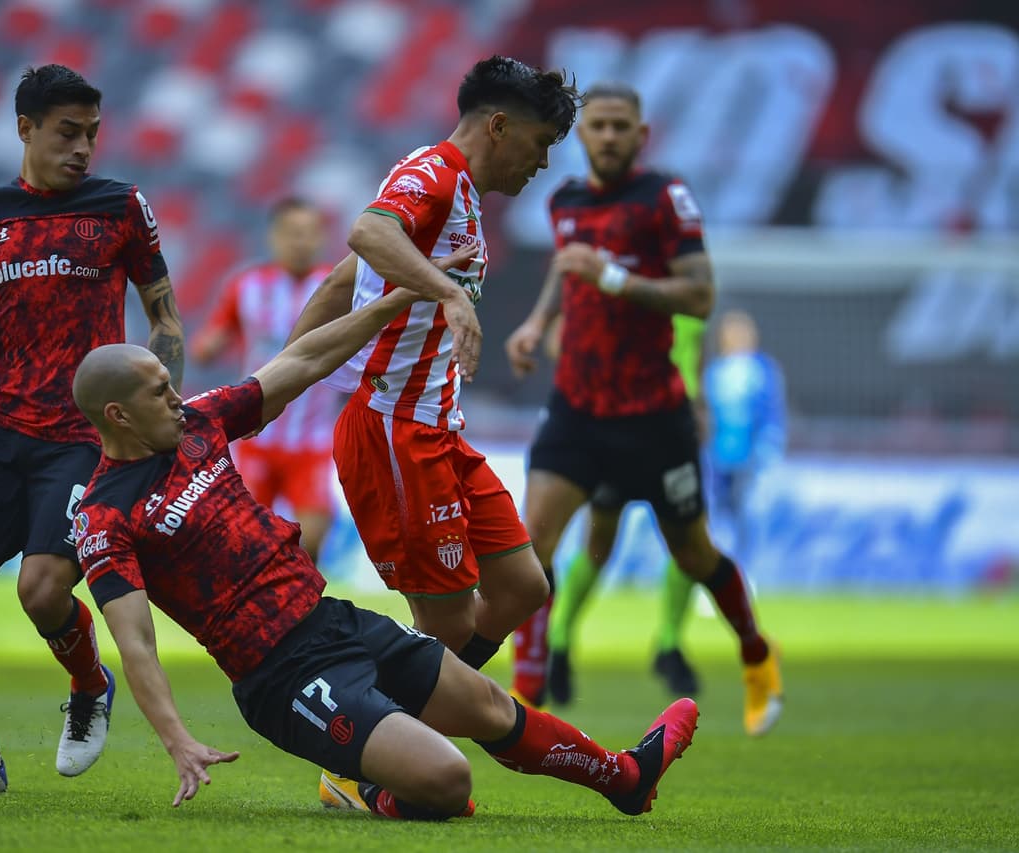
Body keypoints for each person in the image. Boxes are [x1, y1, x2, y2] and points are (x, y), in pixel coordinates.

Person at [69, 263, 699, 820]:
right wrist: (178, 738)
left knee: (489, 707)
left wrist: (396, 297)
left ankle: (626, 778)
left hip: (334, 623)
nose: (177, 397)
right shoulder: (102, 516)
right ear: (118, 416)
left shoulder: (198, 424)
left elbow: (303, 362)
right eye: (160, 391)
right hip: (283, 678)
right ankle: (368, 788)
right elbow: (136, 640)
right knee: (449, 780)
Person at [0, 64, 185, 794]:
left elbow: (163, 316)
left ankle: (89, 682)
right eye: (68, 132)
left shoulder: (120, 206)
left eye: (93, 134)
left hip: (81, 434)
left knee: (41, 591)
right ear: (25, 128)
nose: (83, 148)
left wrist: (165, 411)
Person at [287, 56, 581, 685]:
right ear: (499, 126)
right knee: (444, 626)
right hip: (396, 433)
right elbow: (368, 233)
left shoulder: (464, 197)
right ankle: (365, 763)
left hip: (437, 432)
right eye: (540, 143)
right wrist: (448, 296)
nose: (543, 163)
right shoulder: (434, 174)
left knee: (524, 587)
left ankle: (403, 729)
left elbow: (345, 281)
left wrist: (288, 367)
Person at [503, 82, 783, 736]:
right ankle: (528, 688)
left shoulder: (665, 199)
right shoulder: (565, 202)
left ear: (640, 135)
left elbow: (702, 296)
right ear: (583, 135)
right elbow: (568, 268)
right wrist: (537, 321)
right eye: (596, 126)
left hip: (655, 416)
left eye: (619, 126)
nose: (606, 136)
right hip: (577, 407)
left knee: (692, 553)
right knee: (530, 541)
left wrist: (617, 279)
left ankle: (755, 651)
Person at [526, 314, 709, 704]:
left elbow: (695, 358)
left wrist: (702, 408)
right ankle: (558, 641)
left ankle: (670, 644)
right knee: (600, 542)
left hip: (675, 430)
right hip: (618, 423)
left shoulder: (688, 287)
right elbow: (561, 340)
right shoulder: (620, 278)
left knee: (690, 543)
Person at [191, 198, 340, 563]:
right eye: (292, 234)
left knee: (311, 543)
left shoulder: (336, 288)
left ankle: (301, 608)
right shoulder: (247, 286)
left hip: (313, 443)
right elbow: (213, 339)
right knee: (247, 543)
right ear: (274, 237)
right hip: (256, 437)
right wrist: (204, 348)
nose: (300, 242)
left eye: (308, 234)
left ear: (321, 238)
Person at [703, 309, 787, 565]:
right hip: (716, 458)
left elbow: (773, 413)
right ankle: (713, 573)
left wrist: (768, 448)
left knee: (746, 516)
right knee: (713, 518)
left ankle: (743, 573)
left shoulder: (762, 371)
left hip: (749, 458)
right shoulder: (714, 372)